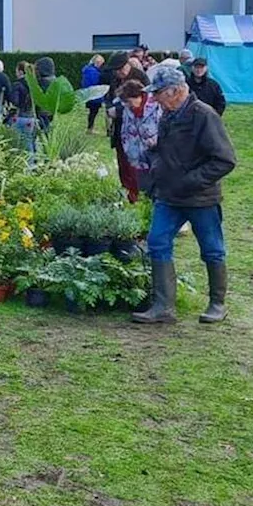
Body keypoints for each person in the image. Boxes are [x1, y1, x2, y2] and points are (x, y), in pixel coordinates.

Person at [132, 66, 236, 325]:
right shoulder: (168, 114)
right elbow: (169, 152)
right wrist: (155, 159)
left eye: (157, 93)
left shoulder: (204, 116)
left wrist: (190, 181)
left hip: (200, 199)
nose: (154, 99)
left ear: (175, 91)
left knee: (212, 250)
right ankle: (163, 307)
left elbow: (224, 160)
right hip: (169, 196)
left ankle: (217, 304)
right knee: (157, 242)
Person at [104, 52, 149, 202]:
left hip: (136, 131)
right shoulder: (115, 79)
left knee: (134, 165)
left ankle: (138, 195)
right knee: (122, 162)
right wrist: (109, 107)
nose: (118, 73)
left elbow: (144, 104)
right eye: (116, 70)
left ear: (127, 65)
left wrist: (118, 111)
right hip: (119, 129)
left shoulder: (140, 78)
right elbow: (109, 96)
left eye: (120, 69)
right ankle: (127, 192)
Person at [118, 79, 163, 202]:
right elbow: (125, 131)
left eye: (129, 101)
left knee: (158, 192)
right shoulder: (128, 110)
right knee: (143, 192)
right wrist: (129, 152)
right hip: (137, 159)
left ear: (138, 96)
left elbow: (166, 129)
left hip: (156, 157)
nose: (128, 105)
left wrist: (156, 141)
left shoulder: (156, 106)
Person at [7, 61, 37, 152]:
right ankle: (31, 164)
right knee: (29, 141)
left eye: (16, 70)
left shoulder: (17, 84)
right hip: (32, 117)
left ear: (20, 72)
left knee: (17, 143)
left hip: (20, 116)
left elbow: (15, 101)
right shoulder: (34, 84)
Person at [82, 54, 105, 133]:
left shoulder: (88, 70)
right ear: (97, 62)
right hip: (94, 94)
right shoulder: (93, 71)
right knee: (93, 112)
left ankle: (90, 128)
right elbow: (95, 82)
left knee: (93, 112)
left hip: (90, 94)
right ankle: (90, 128)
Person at [33, 57, 57, 129]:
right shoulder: (53, 79)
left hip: (43, 111)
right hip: (51, 109)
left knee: (43, 127)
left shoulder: (44, 81)